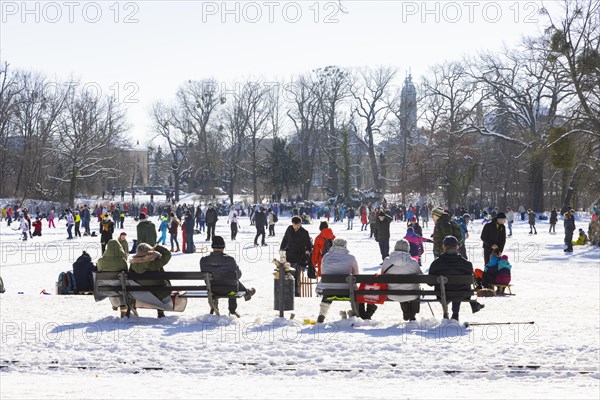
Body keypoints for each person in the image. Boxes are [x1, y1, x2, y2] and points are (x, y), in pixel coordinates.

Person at [315, 238, 376, 322]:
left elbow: (323, 272)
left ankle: (321, 315)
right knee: (355, 293)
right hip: (347, 290)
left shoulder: (326, 256)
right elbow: (356, 276)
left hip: (327, 289)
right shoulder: (351, 258)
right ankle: (355, 313)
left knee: (329, 291)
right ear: (345, 246)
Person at [428, 236, 484, 321]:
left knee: (454, 289)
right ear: (457, 247)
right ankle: (455, 314)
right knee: (459, 288)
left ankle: (451, 314)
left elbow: (430, 283)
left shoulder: (436, 263)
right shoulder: (466, 264)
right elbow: (473, 280)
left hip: (442, 294)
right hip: (462, 294)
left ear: (444, 246)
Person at [200, 236, 256, 317]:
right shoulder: (230, 260)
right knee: (233, 283)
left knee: (230, 281)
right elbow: (238, 275)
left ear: (212, 247)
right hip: (230, 292)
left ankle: (246, 293)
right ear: (223, 247)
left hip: (212, 290)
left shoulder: (203, 260)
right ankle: (242, 298)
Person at [381, 239, 423, 321]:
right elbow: (420, 276)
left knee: (399, 287)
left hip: (392, 293)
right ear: (408, 249)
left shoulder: (386, 260)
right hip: (412, 294)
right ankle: (412, 315)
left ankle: (407, 313)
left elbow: (383, 275)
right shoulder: (413, 262)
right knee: (411, 288)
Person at [129, 243, 173, 318]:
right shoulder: (155, 262)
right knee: (159, 284)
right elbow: (168, 254)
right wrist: (157, 247)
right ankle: (160, 311)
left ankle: (132, 308)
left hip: (139, 293)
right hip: (158, 292)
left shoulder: (133, 264)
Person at [280, 216, 312, 296]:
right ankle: (288, 290)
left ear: (300, 224)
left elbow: (309, 244)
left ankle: (296, 291)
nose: (296, 227)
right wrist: (281, 248)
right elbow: (285, 239)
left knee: (296, 273)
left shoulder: (304, 232)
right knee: (287, 272)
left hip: (299, 256)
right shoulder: (289, 229)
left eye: (298, 225)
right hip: (289, 254)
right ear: (292, 224)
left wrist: (308, 250)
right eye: (295, 225)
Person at [97, 239, 129, 317]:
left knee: (112, 285)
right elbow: (126, 272)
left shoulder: (100, 261)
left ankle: (115, 304)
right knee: (122, 285)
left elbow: (99, 270)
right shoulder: (122, 261)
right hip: (120, 287)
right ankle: (122, 306)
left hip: (105, 287)